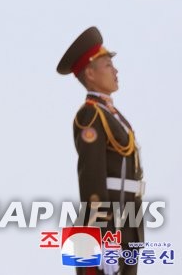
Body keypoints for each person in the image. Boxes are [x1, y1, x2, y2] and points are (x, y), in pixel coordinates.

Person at [57, 26, 144, 275]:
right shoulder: (91, 115)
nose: (115, 70)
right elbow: (92, 184)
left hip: (127, 223)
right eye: (107, 65)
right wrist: (104, 239)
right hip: (107, 229)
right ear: (91, 74)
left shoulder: (114, 116)